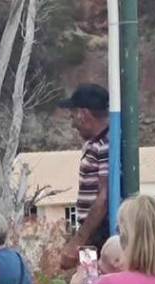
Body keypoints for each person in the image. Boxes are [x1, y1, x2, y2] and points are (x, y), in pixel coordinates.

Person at [55, 84, 111, 271]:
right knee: (87, 283)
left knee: (91, 283)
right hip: (91, 234)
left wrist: (77, 241)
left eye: (73, 116)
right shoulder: (95, 144)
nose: (72, 124)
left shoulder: (105, 145)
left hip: (97, 234)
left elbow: (104, 197)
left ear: (83, 114)